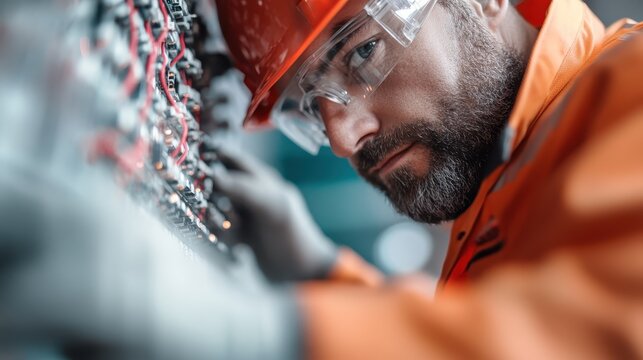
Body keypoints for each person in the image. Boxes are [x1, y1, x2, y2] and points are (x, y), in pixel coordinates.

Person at [213, 0, 643, 358]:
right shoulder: (506, 174)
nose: (343, 139)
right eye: (312, 107)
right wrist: (321, 274)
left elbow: (587, 338)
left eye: (364, 52)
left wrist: (274, 335)